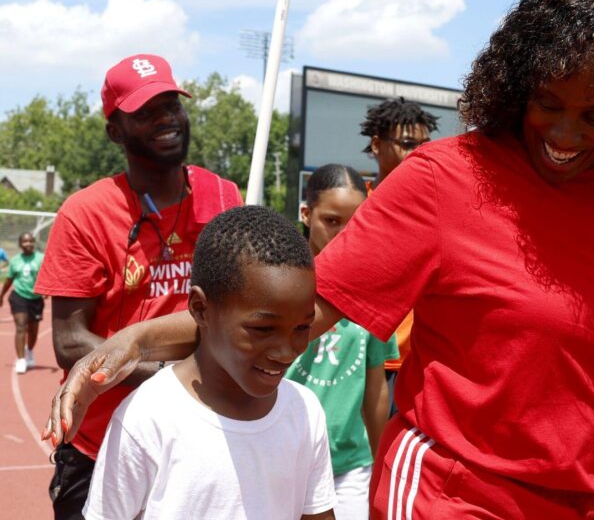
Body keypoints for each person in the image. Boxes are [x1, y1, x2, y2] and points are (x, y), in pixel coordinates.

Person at [44, 0, 594, 518]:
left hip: (590, 500)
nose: (566, 133)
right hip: (455, 497)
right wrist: (137, 338)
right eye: (548, 102)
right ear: (517, 81)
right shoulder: (448, 178)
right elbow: (302, 310)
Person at [35, 53, 242, 519]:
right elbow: (70, 343)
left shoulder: (224, 198)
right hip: (102, 447)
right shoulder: (86, 212)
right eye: (146, 112)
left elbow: (236, 313)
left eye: (172, 105)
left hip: (200, 440)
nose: (166, 120)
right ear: (115, 131)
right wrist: (182, 381)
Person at [83, 206, 335, 520]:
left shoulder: (304, 410)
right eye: (262, 329)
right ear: (201, 309)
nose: (286, 352)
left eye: (302, 328)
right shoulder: (148, 418)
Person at [289, 164, 398, 519]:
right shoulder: (278, 281)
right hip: (284, 456)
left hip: (350, 465)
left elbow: (376, 388)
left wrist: (381, 463)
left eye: (354, 223)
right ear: (307, 214)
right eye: (332, 221)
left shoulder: (376, 287)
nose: (343, 234)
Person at [360, 97, 438, 416]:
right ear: (378, 145)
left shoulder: (434, 207)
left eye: (425, 144)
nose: (418, 153)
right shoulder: (352, 205)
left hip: (416, 367)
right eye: (408, 143)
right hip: (361, 364)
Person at [0, 232, 45, 374]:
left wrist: (47, 289)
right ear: (20, 244)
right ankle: (20, 360)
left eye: (31, 241)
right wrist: (1, 295)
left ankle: (29, 351)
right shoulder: (15, 261)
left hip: (36, 298)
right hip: (19, 296)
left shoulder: (41, 258)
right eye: (25, 242)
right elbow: (9, 280)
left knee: (33, 329)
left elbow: (48, 274)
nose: (28, 244)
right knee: (21, 326)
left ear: (34, 243)